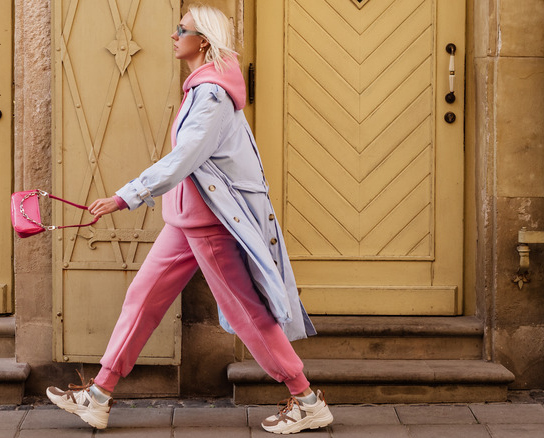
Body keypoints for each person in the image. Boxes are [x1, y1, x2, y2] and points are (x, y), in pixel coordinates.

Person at [46, 4, 334, 434]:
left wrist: (125, 196)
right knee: (142, 300)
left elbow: (184, 159)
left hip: (209, 226)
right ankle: (99, 395)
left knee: (247, 314)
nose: (173, 35)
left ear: (203, 41)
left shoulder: (212, 95)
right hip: (186, 221)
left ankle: (306, 399)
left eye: (181, 29)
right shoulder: (202, 88)